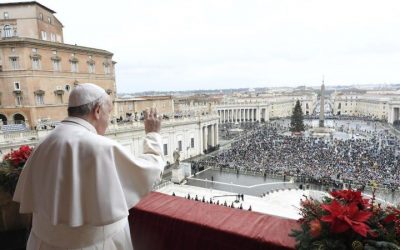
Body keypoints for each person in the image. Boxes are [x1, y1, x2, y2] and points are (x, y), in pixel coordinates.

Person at [13, 83, 165, 250]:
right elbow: (149, 171)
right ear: (97, 111)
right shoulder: (101, 147)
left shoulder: (43, 143)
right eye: (109, 113)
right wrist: (153, 134)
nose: (108, 121)